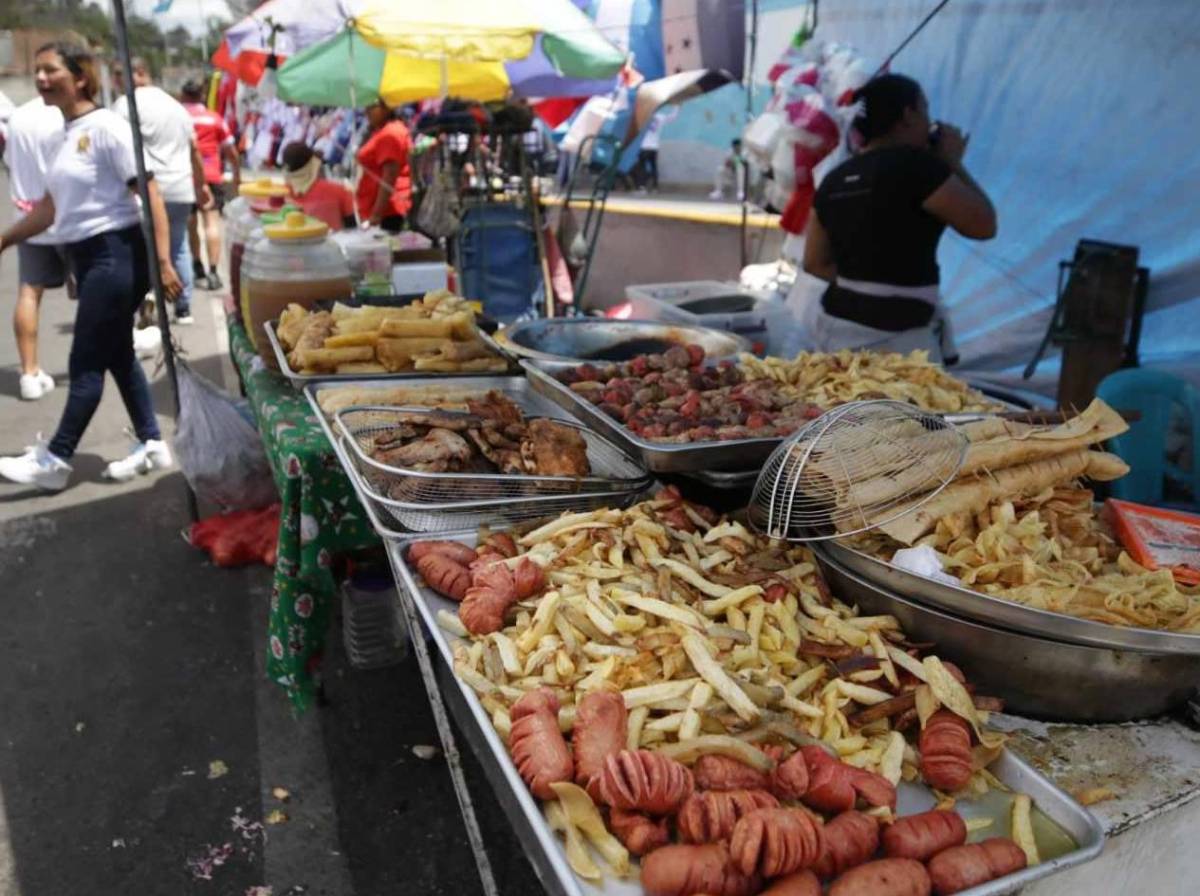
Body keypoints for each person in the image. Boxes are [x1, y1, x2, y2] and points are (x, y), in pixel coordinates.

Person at [0, 40, 183, 491]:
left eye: (50, 70)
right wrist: (4, 239)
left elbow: (151, 192)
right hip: (90, 257)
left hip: (115, 255)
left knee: (86, 362)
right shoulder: (64, 132)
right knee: (118, 355)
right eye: (37, 71)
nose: (41, 79)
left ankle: (57, 458)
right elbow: (50, 207)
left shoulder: (106, 127)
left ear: (80, 76)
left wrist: (163, 262)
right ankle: (151, 442)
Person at [801, 74, 997, 364]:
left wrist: (862, 283)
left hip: (835, 328)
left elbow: (814, 262)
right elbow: (983, 225)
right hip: (899, 343)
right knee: (903, 409)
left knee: (843, 405)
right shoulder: (918, 167)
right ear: (908, 115)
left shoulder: (835, 177)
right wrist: (953, 163)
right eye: (925, 110)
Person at [112, 57, 205, 325]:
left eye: (119, 74)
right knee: (179, 247)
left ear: (140, 72)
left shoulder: (125, 104)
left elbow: (118, 146)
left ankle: (148, 303)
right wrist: (200, 186)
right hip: (181, 187)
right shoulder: (176, 106)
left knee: (145, 251)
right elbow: (194, 150)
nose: (116, 81)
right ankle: (183, 307)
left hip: (150, 191)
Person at [3, 95, 65, 399]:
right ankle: (102, 364)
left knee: (29, 291)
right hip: (67, 217)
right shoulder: (65, 116)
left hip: (28, 217)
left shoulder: (18, 118)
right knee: (92, 292)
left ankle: (29, 372)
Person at [180, 80, 239, 291]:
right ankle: (214, 271)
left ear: (182, 95)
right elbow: (231, 150)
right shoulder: (214, 118)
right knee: (211, 223)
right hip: (211, 175)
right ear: (202, 95)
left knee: (190, 224)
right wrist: (237, 174)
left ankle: (197, 267)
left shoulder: (178, 117)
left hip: (185, 177)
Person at [355, 100, 412, 232]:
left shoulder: (390, 134)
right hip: (381, 209)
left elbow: (389, 176)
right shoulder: (383, 130)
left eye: (371, 107)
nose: (366, 111)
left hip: (387, 212)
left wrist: (376, 215)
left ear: (387, 108)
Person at [280, 141, 355, 231]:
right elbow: (352, 226)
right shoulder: (339, 191)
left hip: (288, 243)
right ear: (313, 164)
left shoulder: (279, 193)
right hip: (331, 242)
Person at [635, 107, 677, 193]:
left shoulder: (643, 117)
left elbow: (638, 129)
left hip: (645, 146)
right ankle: (655, 187)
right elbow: (672, 117)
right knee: (654, 167)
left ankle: (641, 187)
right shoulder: (660, 117)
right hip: (655, 147)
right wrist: (677, 107)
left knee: (642, 168)